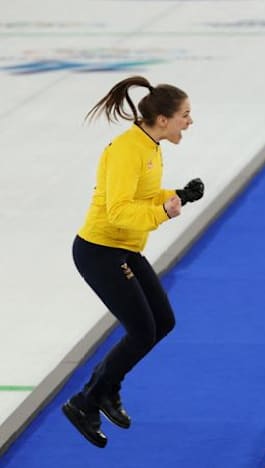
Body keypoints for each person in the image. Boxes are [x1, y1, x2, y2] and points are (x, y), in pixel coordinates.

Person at [62, 76, 203, 448]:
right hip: (100, 250)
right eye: (185, 115)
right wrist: (163, 214)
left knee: (163, 322)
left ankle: (106, 388)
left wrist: (178, 195)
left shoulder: (151, 145)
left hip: (123, 249)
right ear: (162, 119)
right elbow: (120, 210)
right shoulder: (129, 149)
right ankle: (86, 401)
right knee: (142, 330)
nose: (190, 122)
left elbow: (145, 194)